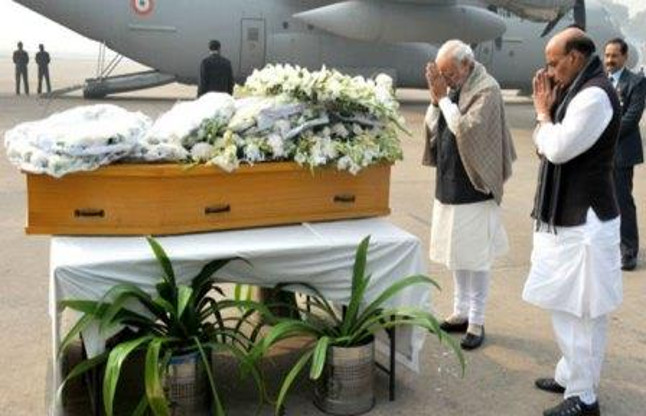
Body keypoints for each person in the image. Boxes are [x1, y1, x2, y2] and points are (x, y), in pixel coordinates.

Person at [523, 27, 622, 416]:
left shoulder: (594, 96)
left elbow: (558, 148)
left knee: (581, 312)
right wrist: (547, 123)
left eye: (553, 63)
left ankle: (584, 398)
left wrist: (543, 116)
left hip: (585, 224)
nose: (549, 72)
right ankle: (570, 377)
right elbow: (544, 144)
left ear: (575, 58)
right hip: (570, 219)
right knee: (568, 306)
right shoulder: (574, 91)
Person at [423, 39, 516, 350]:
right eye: (442, 75)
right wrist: (435, 100)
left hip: (476, 185)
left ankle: (476, 319)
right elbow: (435, 125)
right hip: (450, 181)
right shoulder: (452, 88)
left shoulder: (487, 89)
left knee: (476, 257)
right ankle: (460, 311)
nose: (446, 80)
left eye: (449, 73)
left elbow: (466, 130)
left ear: (466, 64)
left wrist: (443, 99)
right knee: (456, 252)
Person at [604, 38, 646, 271]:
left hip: (621, 153)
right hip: (599, 155)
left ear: (625, 57)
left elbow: (632, 116)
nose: (610, 60)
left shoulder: (636, 82)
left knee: (622, 202)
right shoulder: (601, 80)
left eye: (614, 56)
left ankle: (629, 251)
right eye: (607, 55)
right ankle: (609, 245)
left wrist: (604, 134)